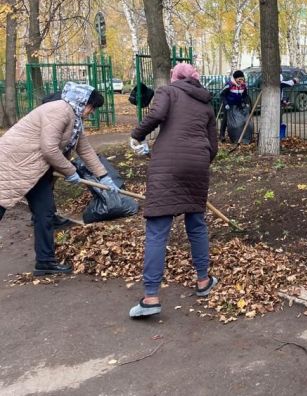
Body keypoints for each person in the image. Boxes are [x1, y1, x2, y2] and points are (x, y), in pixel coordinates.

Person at [128, 62, 219, 318]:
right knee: (197, 223)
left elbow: (156, 116)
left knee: (157, 229)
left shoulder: (167, 92)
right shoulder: (205, 103)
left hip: (167, 165)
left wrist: (137, 136)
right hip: (198, 165)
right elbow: (214, 146)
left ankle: (151, 297)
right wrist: (198, 161)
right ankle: (203, 281)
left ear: (175, 77)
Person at [0, 82, 118, 275]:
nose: (92, 112)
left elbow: (85, 150)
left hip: (35, 169)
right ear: (83, 102)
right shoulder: (59, 111)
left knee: (45, 213)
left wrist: (104, 177)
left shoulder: (74, 119)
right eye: (93, 108)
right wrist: (70, 171)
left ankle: (45, 262)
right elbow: (49, 149)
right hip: (13, 165)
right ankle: (45, 261)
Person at [218, 70, 251, 143]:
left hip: (238, 105)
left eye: (242, 79)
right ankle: (222, 135)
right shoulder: (229, 85)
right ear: (235, 78)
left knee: (240, 120)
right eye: (239, 79)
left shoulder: (243, 85)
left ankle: (239, 135)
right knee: (226, 119)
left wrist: (246, 102)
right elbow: (222, 95)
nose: (241, 81)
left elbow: (245, 95)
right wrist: (226, 104)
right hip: (229, 106)